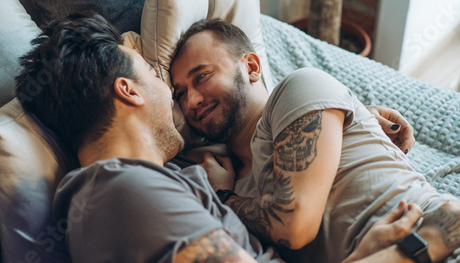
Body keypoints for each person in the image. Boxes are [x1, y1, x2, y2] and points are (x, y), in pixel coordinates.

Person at [15, 12, 424, 263]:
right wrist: (389, 256)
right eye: (164, 82)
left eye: (201, 78)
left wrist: (354, 113)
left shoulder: (160, 178)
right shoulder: (124, 193)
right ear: (129, 90)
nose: (184, 103)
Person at [169, 18, 460, 263]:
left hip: (439, 236)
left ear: (252, 67)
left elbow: (293, 227)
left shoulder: (299, 87)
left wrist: (225, 199)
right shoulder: (223, 174)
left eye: (203, 76)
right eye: (180, 94)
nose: (191, 100)